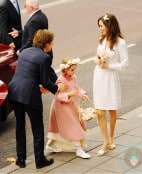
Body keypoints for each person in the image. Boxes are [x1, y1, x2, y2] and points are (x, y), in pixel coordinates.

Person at [8, 29, 66, 169]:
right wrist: (58, 88)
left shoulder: (26, 51)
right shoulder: (44, 57)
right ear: (46, 43)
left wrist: (57, 79)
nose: (52, 45)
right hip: (29, 95)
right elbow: (45, 82)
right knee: (37, 128)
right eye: (52, 43)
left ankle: (21, 160)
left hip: (15, 91)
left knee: (20, 126)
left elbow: (42, 71)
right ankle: (40, 160)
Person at [92, 13, 129, 156]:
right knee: (100, 111)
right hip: (99, 76)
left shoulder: (120, 43)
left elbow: (125, 64)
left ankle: (112, 136)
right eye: (99, 26)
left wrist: (110, 66)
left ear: (109, 25)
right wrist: (97, 60)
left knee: (112, 110)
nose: (100, 29)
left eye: (101, 26)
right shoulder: (101, 40)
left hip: (111, 77)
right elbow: (98, 55)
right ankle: (105, 141)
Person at [45, 57, 91, 159]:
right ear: (65, 70)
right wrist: (69, 94)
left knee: (62, 128)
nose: (74, 72)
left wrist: (82, 94)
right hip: (61, 108)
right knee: (74, 126)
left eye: (75, 70)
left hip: (70, 106)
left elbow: (77, 88)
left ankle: (50, 145)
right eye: (72, 70)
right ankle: (79, 149)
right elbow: (58, 95)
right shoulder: (60, 80)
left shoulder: (73, 77)